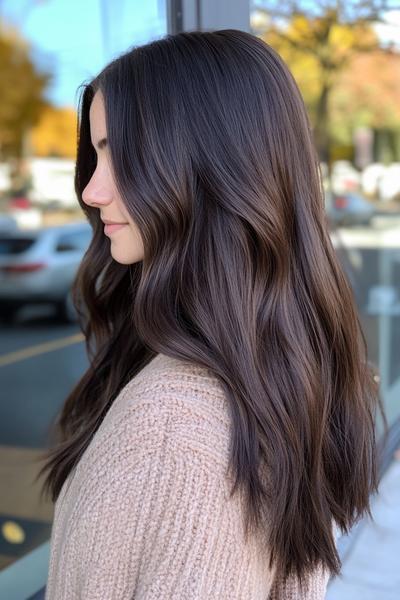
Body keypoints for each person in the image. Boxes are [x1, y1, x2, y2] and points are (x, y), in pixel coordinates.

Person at [36, 29, 379, 599]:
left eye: (117, 153)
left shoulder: (177, 428)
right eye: (94, 154)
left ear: (208, 167)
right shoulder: (270, 368)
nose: (91, 192)